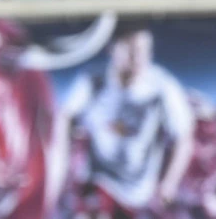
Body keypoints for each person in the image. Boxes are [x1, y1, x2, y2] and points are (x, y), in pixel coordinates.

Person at [61, 28, 195, 217]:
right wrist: (64, 162)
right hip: (96, 180)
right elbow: (64, 117)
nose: (138, 58)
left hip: (135, 190)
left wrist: (169, 184)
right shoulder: (92, 79)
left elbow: (184, 138)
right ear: (112, 49)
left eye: (144, 50)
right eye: (131, 50)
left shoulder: (163, 87)